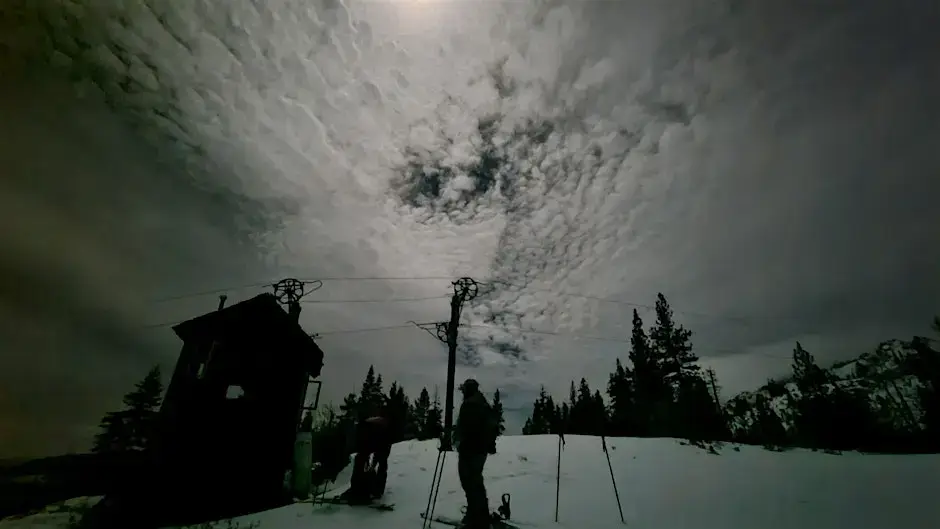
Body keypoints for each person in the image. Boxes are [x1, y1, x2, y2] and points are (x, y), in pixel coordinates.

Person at [455, 378, 498, 529]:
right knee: (475, 482)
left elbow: (465, 428)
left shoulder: (470, 404)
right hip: (479, 449)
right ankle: (477, 514)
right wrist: (490, 444)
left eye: (464, 390)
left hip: (470, 449)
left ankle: (477, 518)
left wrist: (459, 441)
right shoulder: (483, 403)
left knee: (470, 482)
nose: (462, 392)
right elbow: (492, 424)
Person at [341, 409, 394, 503]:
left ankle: (376, 490)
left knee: (381, 463)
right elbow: (363, 449)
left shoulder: (380, 429)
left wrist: (372, 464)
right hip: (372, 441)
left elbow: (380, 451)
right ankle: (358, 488)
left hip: (382, 441)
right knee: (361, 460)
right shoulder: (362, 429)